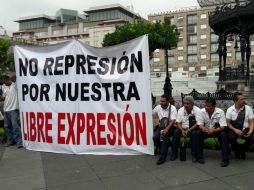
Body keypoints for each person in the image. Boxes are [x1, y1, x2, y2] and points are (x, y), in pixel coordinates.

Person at [192, 98, 230, 167]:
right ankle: (199, 157)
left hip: (217, 130)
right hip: (205, 130)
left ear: (214, 106)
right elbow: (199, 124)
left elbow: (223, 126)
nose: (206, 107)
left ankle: (225, 159)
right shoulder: (201, 111)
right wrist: (204, 129)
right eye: (206, 106)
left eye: (209, 106)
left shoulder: (220, 112)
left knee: (223, 135)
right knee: (197, 134)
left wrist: (213, 130)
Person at [170, 96, 200, 161]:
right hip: (182, 129)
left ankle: (194, 154)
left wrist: (189, 130)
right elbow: (178, 123)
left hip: (192, 128)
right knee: (176, 133)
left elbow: (198, 123)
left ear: (192, 104)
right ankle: (173, 154)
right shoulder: (181, 110)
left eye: (187, 103)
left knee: (195, 134)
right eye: (184, 103)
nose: (185, 105)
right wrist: (182, 130)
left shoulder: (197, 110)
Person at [226, 92, 254, 159]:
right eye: (241, 99)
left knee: (253, 137)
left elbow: (252, 122)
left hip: (246, 129)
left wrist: (250, 130)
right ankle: (237, 150)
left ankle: (241, 149)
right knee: (230, 136)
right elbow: (228, 123)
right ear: (235, 101)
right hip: (234, 129)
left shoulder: (248, 109)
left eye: (243, 99)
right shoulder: (230, 110)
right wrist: (235, 130)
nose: (243, 100)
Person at [152, 94, 177, 165]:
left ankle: (162, 157)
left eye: (163, 101)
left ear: (168, 101)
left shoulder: (172, 108)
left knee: (165, 137)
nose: (161, 103)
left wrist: (166, 129)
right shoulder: (158, 107)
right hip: (161, 127)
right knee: (155, 137)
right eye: (160, 101)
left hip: (170, 127)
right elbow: (152, 113)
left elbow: (173, 120)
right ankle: (159, 147)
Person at [0, 74, 22, 148]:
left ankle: (20, 141)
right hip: (6, 109)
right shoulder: (4, 87)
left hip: (14, 109)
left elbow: (16, 77)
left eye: (5, 81)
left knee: (15, 125)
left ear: (8, 80)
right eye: (3, 81)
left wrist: (13, 77)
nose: (4, 83)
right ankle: (11, 140)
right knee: (7, 126)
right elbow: (4, 98)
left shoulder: (15, 85)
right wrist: (1, 97)